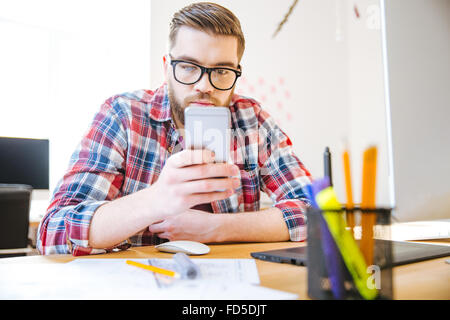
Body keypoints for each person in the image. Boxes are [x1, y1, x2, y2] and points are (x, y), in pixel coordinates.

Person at [37, 2, 313, 256]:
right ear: (167, 67)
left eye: (221, 71)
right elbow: (52, 232)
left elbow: (320, 213)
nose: (204, 85)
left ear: (236, 72)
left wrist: (216, 227)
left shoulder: (252, 120)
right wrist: (157, 199)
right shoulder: (123, 115)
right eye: (189, 66)